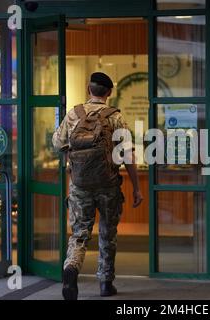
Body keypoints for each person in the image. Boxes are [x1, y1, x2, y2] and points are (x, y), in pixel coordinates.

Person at [52, 72, 143, 300]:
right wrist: (137, 187)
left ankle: (71, 268)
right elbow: (129, 155)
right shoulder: (116, 117)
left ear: (87, 89)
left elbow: (57, 143)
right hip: (108, 185)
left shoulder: (74, 113)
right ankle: (105, 283)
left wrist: (72, 157)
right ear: (109, 93)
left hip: (80, 185)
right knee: (107, 233)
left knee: (79, 234)